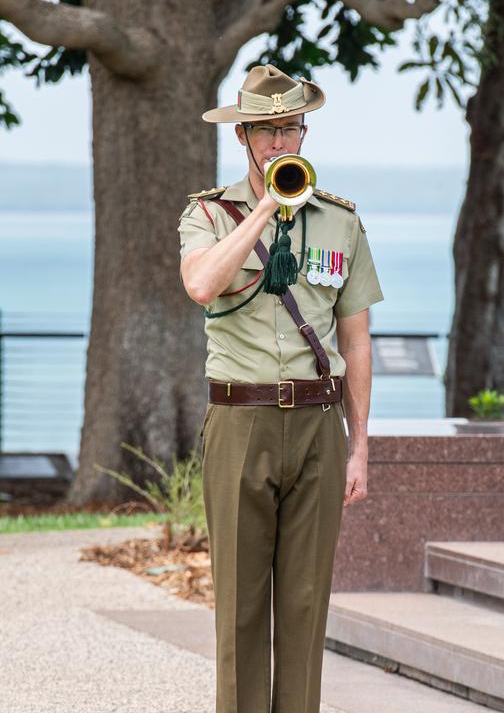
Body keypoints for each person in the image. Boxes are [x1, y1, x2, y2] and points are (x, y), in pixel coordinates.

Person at [177, 63, 384, 713]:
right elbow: (202, 286)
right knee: (240, 609)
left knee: (303, 607)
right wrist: (265, 206)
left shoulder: (340, 222)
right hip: (241, 422)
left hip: (319, 425)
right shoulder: (209, 214)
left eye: (288, 128)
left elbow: (356, 340)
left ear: (303, 132)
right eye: (264, 131)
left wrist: (360, 448)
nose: (277, 142)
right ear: (243, 138)